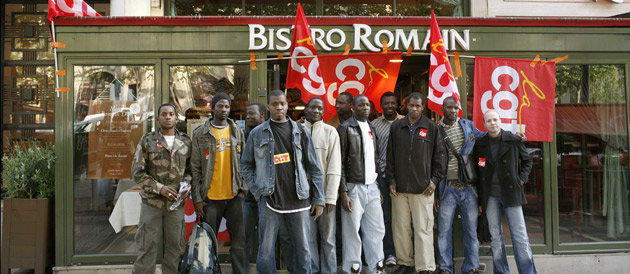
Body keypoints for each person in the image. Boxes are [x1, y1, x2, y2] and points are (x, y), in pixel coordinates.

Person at [240, 89, 325, 274]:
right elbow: (245, 165)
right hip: (270, 199)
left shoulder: (301, 131)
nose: (279, 107)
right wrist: (258, 191)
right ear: (269, 107)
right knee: (266, 250)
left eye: (282, 104)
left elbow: (314, 167)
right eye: (275, 104)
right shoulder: (257, 133)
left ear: (287, 106)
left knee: (303, 248)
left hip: (299, 199)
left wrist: (319, 198)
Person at [387, 92, 447, 274]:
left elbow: (441, 157)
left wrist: (435, 180)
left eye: (418, 106)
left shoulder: (431, 127)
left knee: (423, 228)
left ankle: (425, 267)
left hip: (423, 189)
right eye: (411, 105)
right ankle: (405, 263)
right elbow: (390, 156)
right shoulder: (397, 127)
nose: (414, 109)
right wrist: (391, 179)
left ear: (423, 107)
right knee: (401, 228)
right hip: (399, 188)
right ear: (406, 106)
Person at [191, 93, 248, 274]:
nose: (224, 110)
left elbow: (246, 162)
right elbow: (195, 169)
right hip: (210, 198)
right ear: (212, 108)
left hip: (233, 196)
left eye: (227, 107)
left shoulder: (237, 131)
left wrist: (243, 189)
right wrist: (198, 199)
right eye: (220, 106)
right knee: (209, 244)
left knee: (238, 244)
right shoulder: (200, 133)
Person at [131, 103, 192, 274]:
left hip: (175, 206)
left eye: (171, 114)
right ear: (158, 118)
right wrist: (160, 188)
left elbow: (190, 171)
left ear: (176, 118)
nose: (167, 117)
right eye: (163, 114)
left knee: (174, 249)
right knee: (147, 247)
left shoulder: (186, 142)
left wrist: (185, 186)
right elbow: (137, 173)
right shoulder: (147, 141)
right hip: (152, 203)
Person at [474, 110, 536, 274]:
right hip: (490, 196)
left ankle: (528, 271)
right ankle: (501, 272)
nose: (492, 123)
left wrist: (521, 180)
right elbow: (479, 172)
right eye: (489, 121)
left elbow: (528, 160)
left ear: (500, 121)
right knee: (495, 237)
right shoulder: (480, 144)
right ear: (485, 124)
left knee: (520, 236)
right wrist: (481, 200)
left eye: (495, 120)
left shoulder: (513, 140)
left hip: (511, 193)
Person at [337, 94, 386, 274]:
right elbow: (339, 162)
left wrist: (377, 186)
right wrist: (343, 192)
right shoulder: (344, 128)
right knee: (352, 230)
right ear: (353, 108)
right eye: (361, 105)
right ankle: (353, 266)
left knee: (376, 228)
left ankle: (377, 266)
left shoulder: (371, 128)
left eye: (367, 105)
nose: (365, 108)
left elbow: (374, 160)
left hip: (372, 186)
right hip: (353, 186)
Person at [436, 96, 485, 274]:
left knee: (471, 232)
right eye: (450, 108)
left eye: (456, 108)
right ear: (443, 109)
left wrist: (508, 134)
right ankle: (445, 268)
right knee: (443, 232)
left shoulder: (468, 125)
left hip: (469, 189)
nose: (454, 111)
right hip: (447, 188)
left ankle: (471, 267)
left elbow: (487, 137)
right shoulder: (437, 130)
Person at [303, 97, 342, 274]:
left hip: (325, 195)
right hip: (302, 196)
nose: (316, 111)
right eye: (313, 108)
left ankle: (329, 271)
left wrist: (331, 197)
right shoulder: (297, 130)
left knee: (328, 239)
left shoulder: (330, 132)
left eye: (320, 108)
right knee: (308, 238)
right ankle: (312, 269)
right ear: (306, 110)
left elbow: (335, 167)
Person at [371, 92, 404, 266]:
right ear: (381, 105)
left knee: (404, 218)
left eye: (392, 103)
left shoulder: (406, 121)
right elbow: (372, 154)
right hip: (383, 178)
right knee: (385, 218)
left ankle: (406, 253)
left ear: (397, 104)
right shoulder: (375, 125)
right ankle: (390, 253)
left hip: (404, 179)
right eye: (386, 103)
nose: (390, 106)